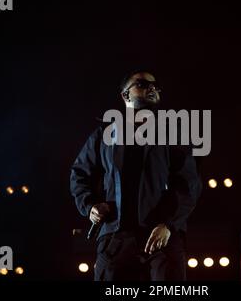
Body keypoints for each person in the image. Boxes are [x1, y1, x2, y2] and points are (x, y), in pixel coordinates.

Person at [70, 70, 202, 281]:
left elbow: (189, 184)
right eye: (141, 84)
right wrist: (90, 206)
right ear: (125, 95)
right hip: (115, 237)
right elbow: (79, 174)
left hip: (160, 238)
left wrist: (168, 224)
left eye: (155, 85)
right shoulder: (106, 134)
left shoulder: (172, 134)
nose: (151, 88)